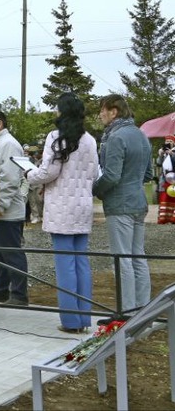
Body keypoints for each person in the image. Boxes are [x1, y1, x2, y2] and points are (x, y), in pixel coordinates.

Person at [25, 93, 99, 333]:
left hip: (62, 206)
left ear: (63, 112)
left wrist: (29, 175)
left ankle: (70, 320)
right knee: (81, 263)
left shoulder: (56, 137)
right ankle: (83, 318)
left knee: (64, 264)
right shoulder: (89, 139)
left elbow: (49, 172)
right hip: (83, 203)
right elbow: (95, 173)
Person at [93, 93, 154, 317]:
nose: (100, 116)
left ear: (113, 111)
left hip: (120, 205)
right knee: (138, 255)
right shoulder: (141, 135)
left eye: (102, 111)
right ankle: (143, 308)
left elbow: (111, 176)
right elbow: (148, 173)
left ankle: (126, 311)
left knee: (122, 258)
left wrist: (95, 190)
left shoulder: (116, 137)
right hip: (139, 201)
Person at [0, 109, 29, 306]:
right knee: (0, 253)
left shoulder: (8, 144)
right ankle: (0, 290)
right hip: (2, 209)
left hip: (8, 211)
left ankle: (19, 295)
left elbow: (9, 178)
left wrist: (0, 205)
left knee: (12, 253)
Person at [158, 138, 175, 224]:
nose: (168, 143)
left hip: (174, 178)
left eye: (170, 141)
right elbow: (159, 164)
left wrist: (172, 154)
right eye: (167, 141)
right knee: (164, 197)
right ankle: (164, 218)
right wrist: (161, 155)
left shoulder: (173, 151)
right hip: (165, 179)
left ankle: (173, 218)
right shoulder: (163, 152)